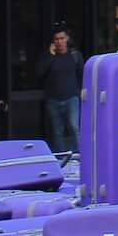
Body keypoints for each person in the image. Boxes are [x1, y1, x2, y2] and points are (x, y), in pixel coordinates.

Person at [39, 24, 83, 155]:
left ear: (67, 39)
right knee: (57, 130)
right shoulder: (49, 56)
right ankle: (60, 156)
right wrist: (50, 55)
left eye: (62, 38)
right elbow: (40, 73)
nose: (59, 41)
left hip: (71, 97)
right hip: (53, 99)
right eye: (56, 39)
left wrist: (80, 91)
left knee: (74, 127)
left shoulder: (75, 55)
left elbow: (82, 74)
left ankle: (77, 154)